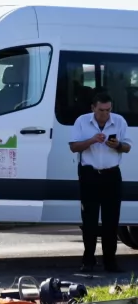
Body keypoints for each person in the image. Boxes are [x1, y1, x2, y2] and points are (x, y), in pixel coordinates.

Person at [69, 93, 132, 273]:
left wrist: (117, 145)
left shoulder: (119, 121)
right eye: (101, 110)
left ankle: (110, 262)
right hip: (89, 174)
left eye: (108, 110)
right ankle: (88, 260)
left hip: (112, 175)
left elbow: (127, 147)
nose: (105, 114)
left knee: (111, 221)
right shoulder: (82, 121)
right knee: (89, 221)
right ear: (93, 108)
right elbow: (73, 147)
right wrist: (91, 140)